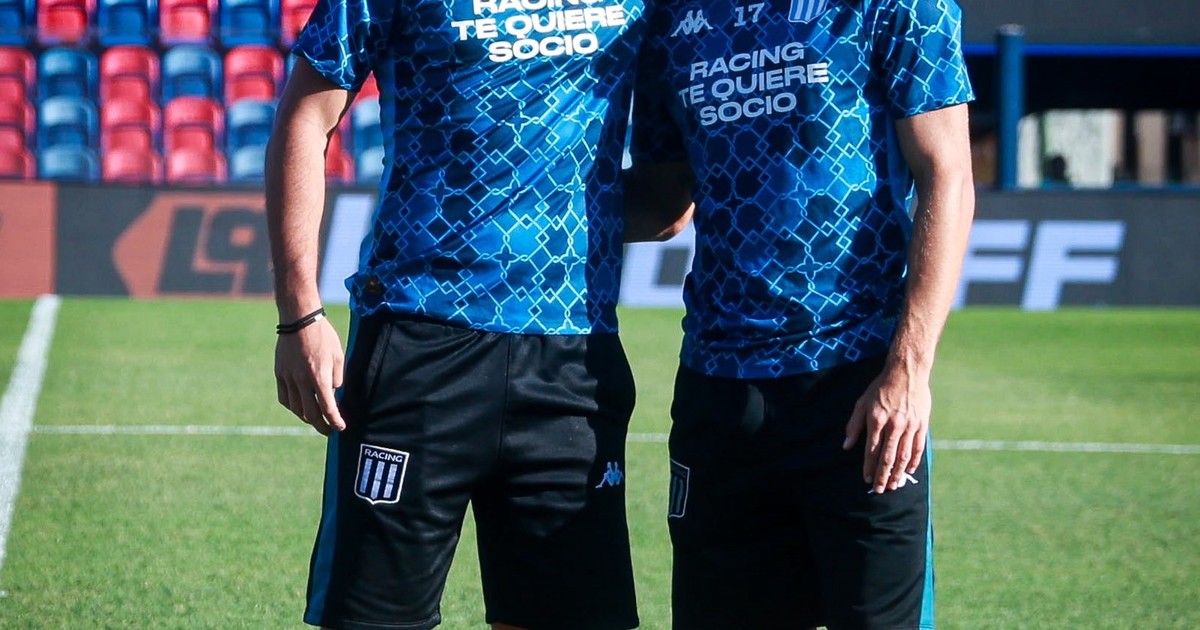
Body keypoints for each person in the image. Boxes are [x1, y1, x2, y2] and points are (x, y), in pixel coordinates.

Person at [264, 0, 684, 626]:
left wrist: (556, 216)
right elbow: (305, 117)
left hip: (574, 360)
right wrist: (300, 314)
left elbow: (666, 201)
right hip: (419, 337)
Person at [628, 0, 976, 627]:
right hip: (717, 390)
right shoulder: (670, 15)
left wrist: (907, 372)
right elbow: (663, 201)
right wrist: (516, 201)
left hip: (858, 385)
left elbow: (946, 174)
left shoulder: (897, 5)